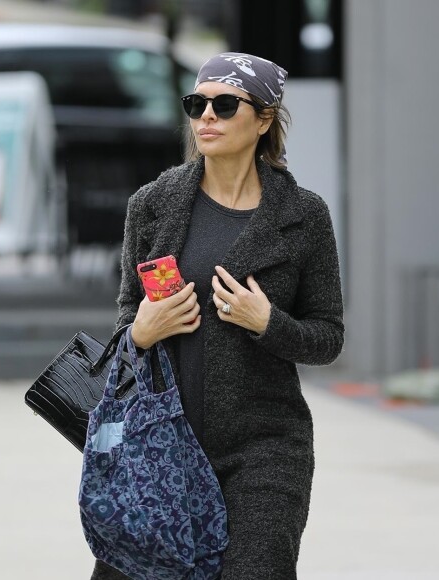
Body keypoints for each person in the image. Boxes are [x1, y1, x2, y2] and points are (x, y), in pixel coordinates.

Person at [91, 52, 344, 580]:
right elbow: (124, 321)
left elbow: (327, 336)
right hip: (162, 446)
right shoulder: (152, 204)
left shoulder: (304, 216)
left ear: (265, 118)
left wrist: (267, 321)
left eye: (225, 105)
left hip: (264, 449)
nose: (206, 116)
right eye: (196, 103)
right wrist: (140, 330)